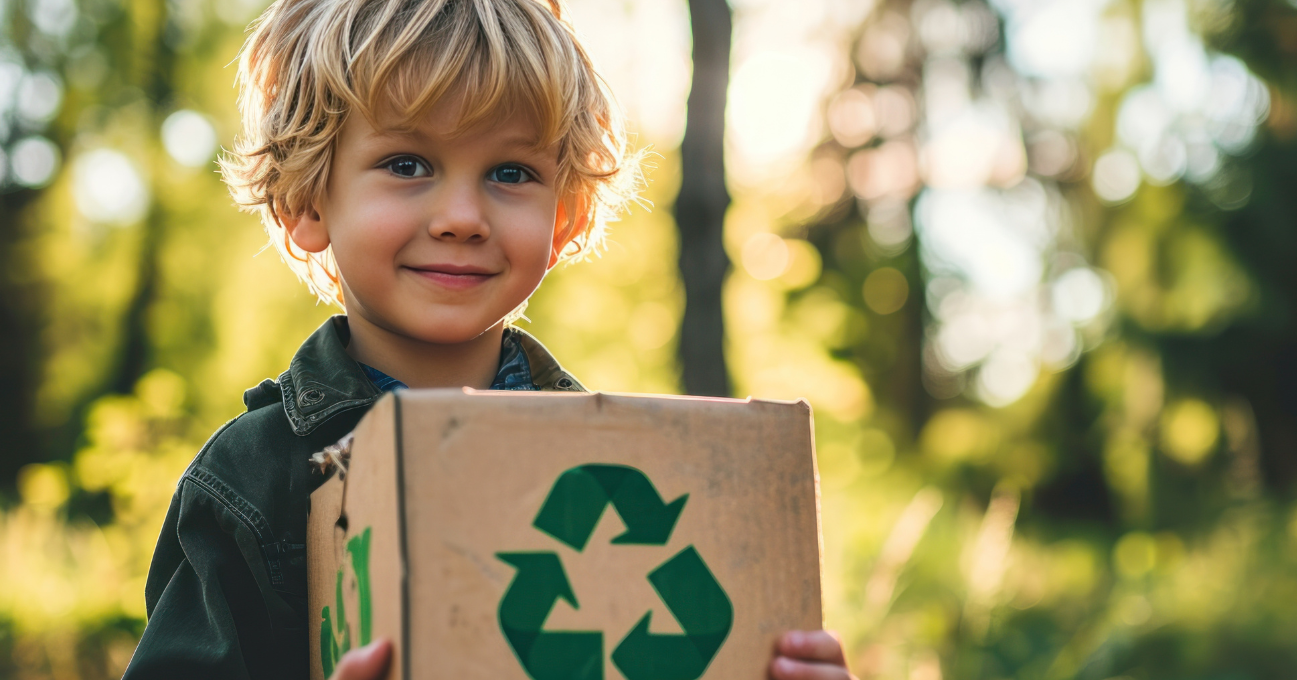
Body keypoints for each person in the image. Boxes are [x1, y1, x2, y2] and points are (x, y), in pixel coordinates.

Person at [122, 0, 855, 678]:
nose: (463, 215)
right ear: (305, 200)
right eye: (407, 164)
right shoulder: (250, 481)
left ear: (564, 219)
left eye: (511, 172)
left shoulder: (622, 460)